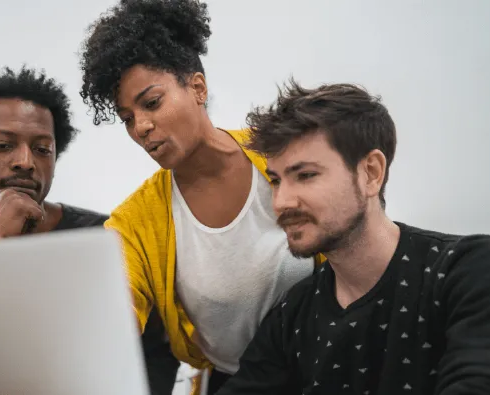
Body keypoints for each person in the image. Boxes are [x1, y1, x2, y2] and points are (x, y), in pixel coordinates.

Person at [78, 1, 324, 393]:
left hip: (335, 367)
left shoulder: (282, 154)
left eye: (151, 102)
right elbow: (114, 314)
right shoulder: (136, 222)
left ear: (197, 88)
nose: (141, 127)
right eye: (127, 118)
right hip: (237, 385)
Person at [214, 81, 490, 394]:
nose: (282, 201)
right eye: (275, 181)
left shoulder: (466, 269)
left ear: (371, 173)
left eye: (306, 175)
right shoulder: (291, 316)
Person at [0, 66, 179, 395]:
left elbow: (155, 356)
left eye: (42, 150)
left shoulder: (103, 238)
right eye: (3, 145)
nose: (25, 161)